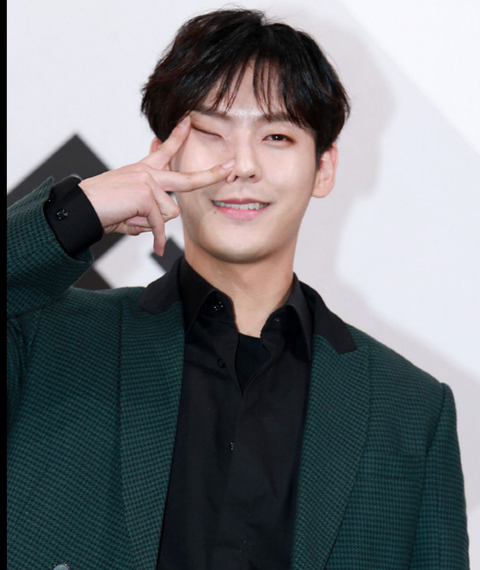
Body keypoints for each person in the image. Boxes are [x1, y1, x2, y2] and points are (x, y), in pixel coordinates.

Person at [7, 8, 469, 570]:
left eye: (276, 136)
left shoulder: (411, 411)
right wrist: (78, 212)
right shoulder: (47, 338)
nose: (242, 165)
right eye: (211, 133)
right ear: (162, 155)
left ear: (324, 168)